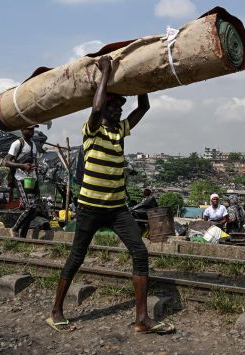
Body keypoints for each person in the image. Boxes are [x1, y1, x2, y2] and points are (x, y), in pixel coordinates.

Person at [47, 56, 174, 335]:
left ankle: (142, 319)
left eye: (119, 106)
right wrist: (105, 71)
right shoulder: (91, 130)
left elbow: (145, 106)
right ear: (103, 105)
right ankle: (56, 311)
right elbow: (94, 107)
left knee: (140, 252)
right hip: (90, 208)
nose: (117, 110)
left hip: (117, 209)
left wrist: (140, 79)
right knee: (77, 257)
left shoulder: (121, 131)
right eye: (113, 105)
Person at [5, 124, 41, 238]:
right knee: (29, 206)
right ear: (22, 129)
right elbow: (6, 161)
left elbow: (33, 161)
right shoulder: (17, 144)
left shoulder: (34, 144)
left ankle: (23, 235)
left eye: (33, 129)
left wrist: (35, 168)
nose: (31, 131)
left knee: (34, 209)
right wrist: (21, 166)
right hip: (21, 178)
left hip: (32, 179)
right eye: (29, 129)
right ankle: (15, 229)